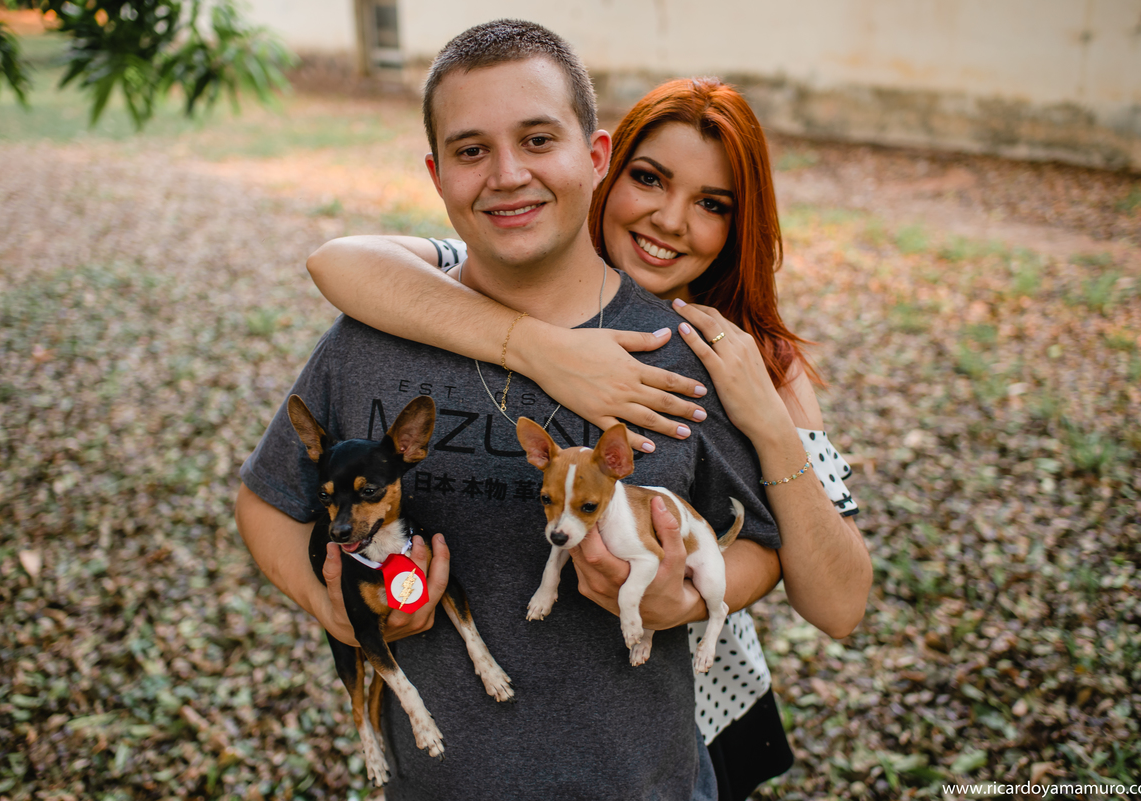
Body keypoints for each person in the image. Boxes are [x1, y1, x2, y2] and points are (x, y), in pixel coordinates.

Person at [237, 19, 806, 801]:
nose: (507, 175)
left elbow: (769, 544)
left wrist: (686, 594)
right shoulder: (369, 341)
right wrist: (326, 604)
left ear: (596, 157)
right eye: (472, 150)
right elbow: (267, 503)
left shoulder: (680, 357)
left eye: (538, 140)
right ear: (437, 175)